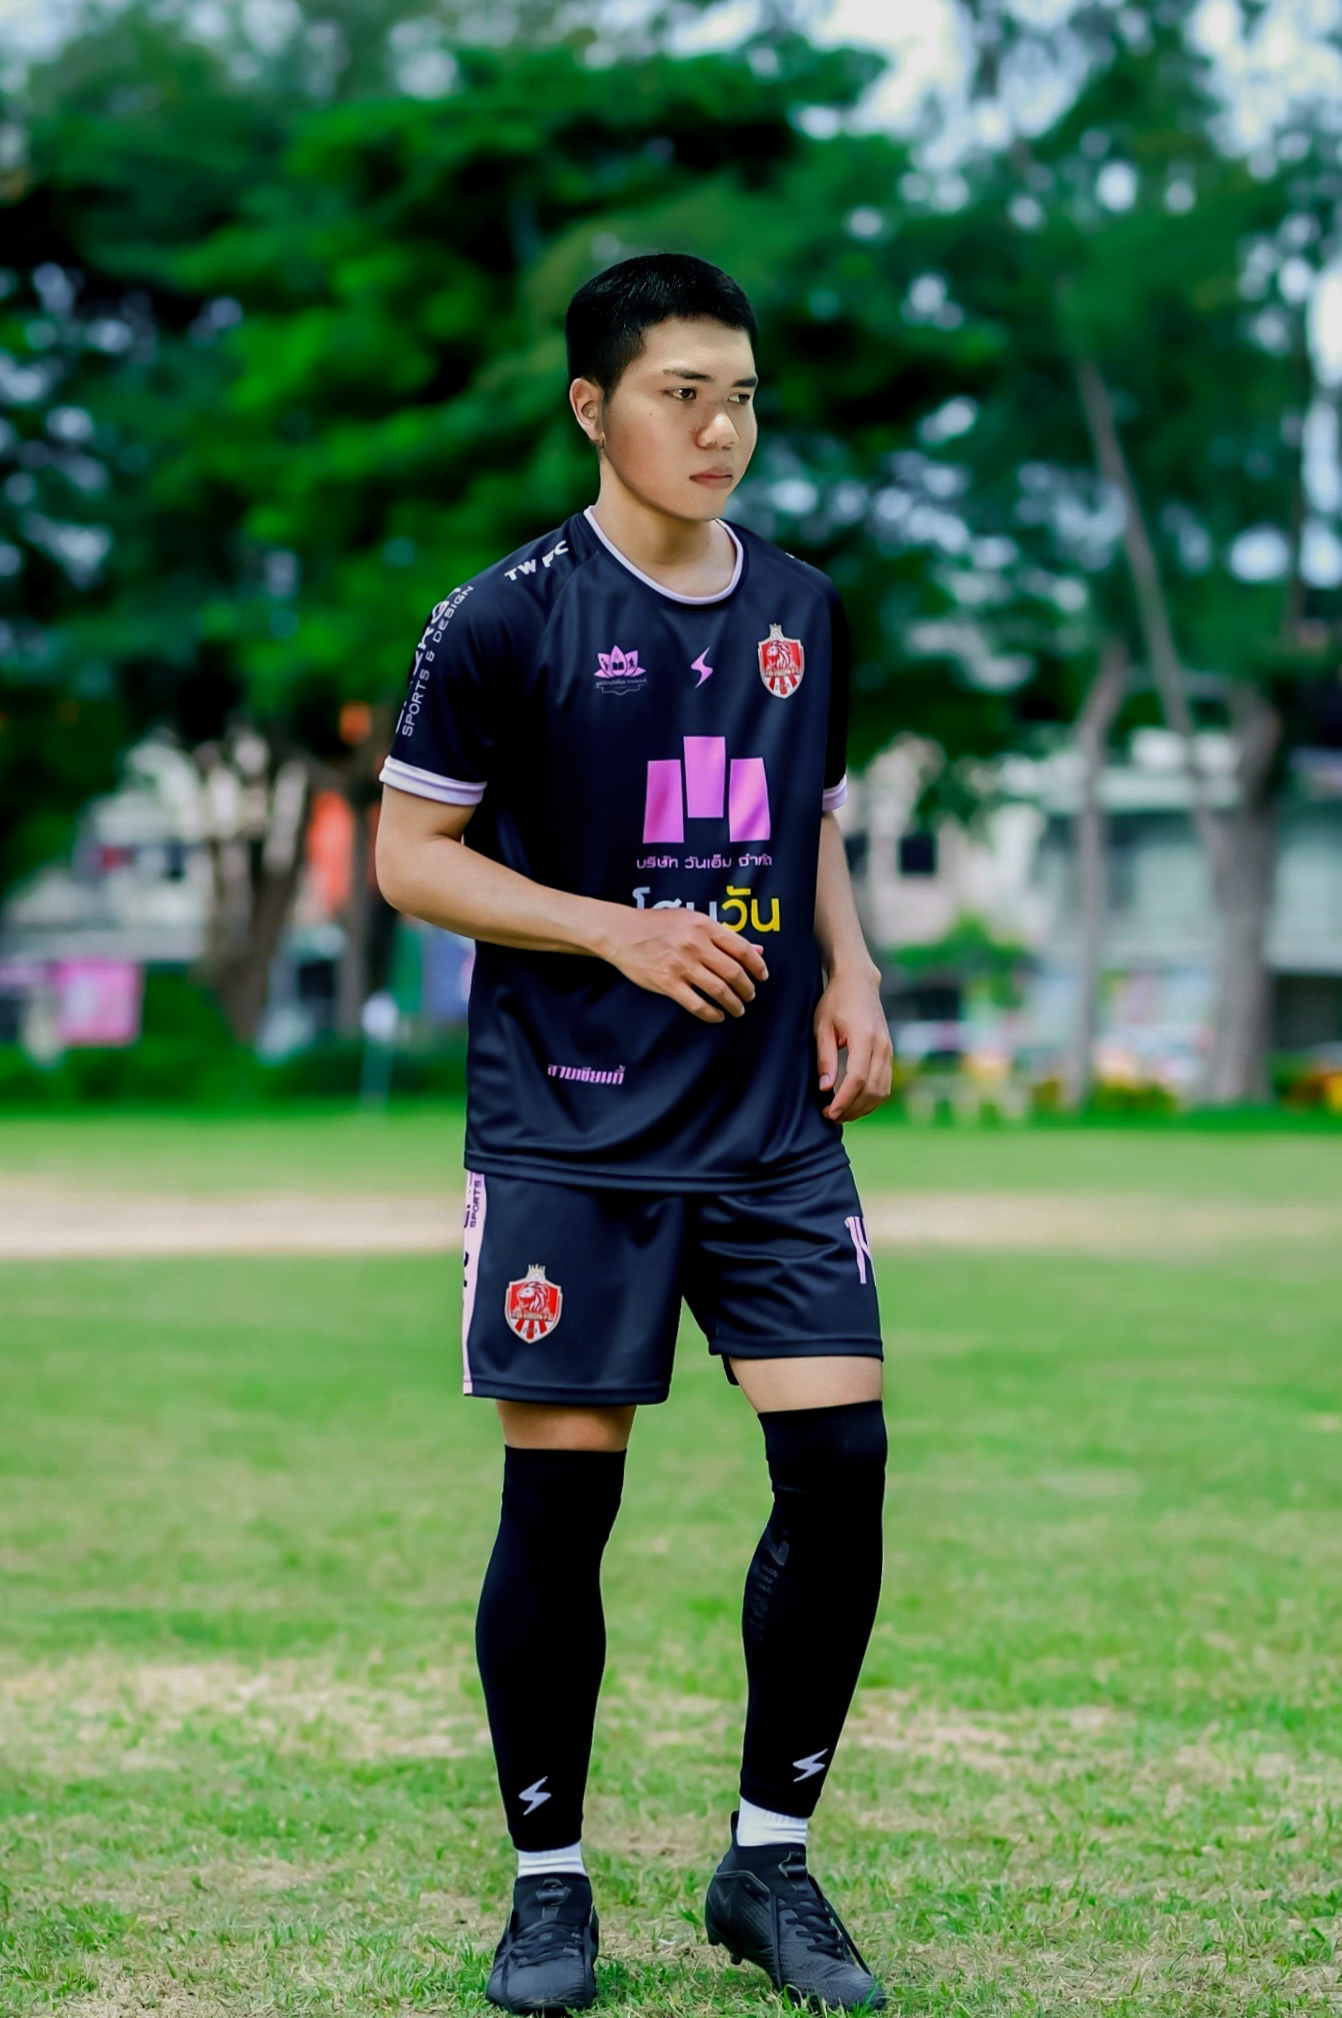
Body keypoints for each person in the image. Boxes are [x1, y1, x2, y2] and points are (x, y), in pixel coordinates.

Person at [376, 252, 893, 2015]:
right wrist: (615, 930)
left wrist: (849, 968)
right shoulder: (500, 616)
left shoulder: (805, 608)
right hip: (568, 1128)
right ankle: (548, 1888)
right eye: (683, 393)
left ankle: (767, 1860)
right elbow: (411, 857)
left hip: (764, 1126)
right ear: (593, 408)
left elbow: (809, 812)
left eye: (740, 394)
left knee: (839, 1463)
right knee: (562, 1503)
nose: (719, 427)